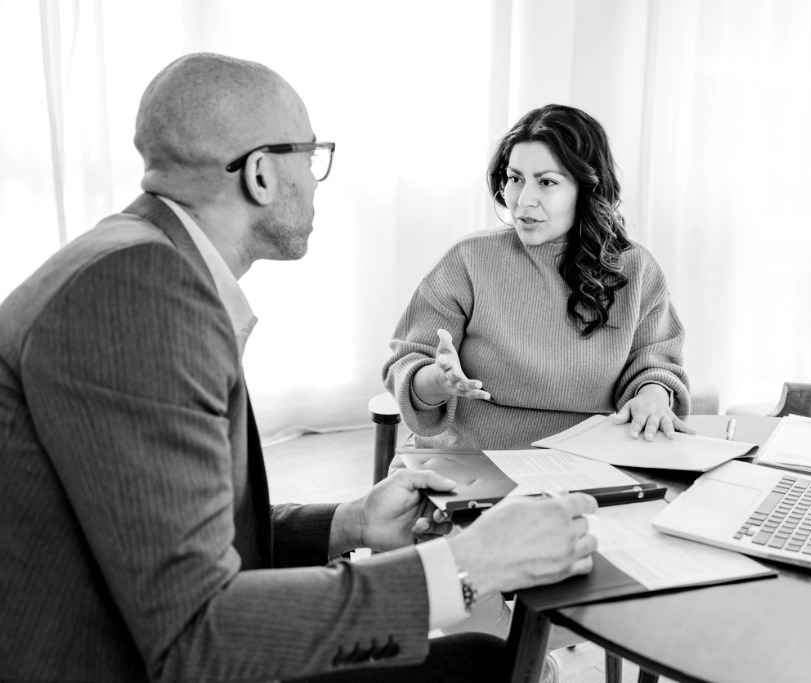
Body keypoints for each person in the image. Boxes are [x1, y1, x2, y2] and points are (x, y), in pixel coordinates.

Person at [0, 53, 598, 683]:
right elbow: (197, 637)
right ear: (261, 173)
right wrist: (470, 565)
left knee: (488, 662)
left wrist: (349, 523)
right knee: (491, 668)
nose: (316, 182)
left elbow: (170, 535)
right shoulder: (139, 292)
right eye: (311, 159)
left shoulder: (133, 261)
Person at [384, 104, 691, 451]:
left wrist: (652, 394)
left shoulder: (636, 270)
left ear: (586, 188)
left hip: (586, 462)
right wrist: (438, 381)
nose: (523, 200)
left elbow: (656, 361)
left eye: (546, 182)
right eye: (515, 179)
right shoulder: (469, 260)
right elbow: (408, 362)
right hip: (468, 456)